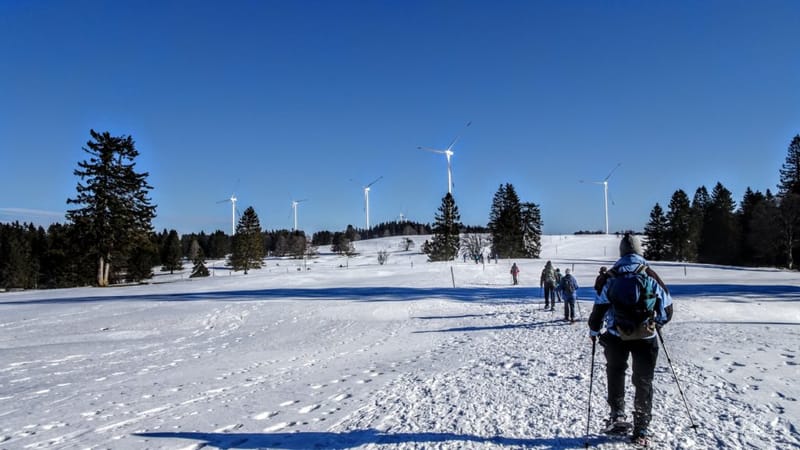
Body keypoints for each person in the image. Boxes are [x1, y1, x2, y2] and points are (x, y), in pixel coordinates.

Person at [588, 233, 673, 447]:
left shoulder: (611, 276)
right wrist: (656, 324)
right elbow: (668, 310)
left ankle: (617, 416)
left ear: (622, 252)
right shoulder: (650, 274)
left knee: (615, 372)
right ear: (640, 251)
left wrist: (594, 330)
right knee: (643, 380)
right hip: (645, 337)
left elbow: (599, 308)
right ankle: (641, 427)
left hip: (616, 336)